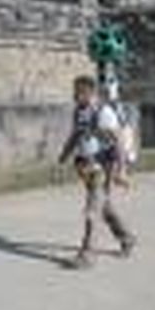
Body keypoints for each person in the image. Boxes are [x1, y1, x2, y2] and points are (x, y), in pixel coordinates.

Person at [58, 74, 136, 268]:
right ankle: (126, 237)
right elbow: (76, 134)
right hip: (86, 165)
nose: (74, 95)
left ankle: (87, 254)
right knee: (104, 206)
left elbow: (117, 142)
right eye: (74, 91)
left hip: (102, 167)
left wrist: (122, 171)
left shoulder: (103, 112)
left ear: (89, 92)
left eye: (77, 92)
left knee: (92, 209)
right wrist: (64, 156)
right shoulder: (79, 111)